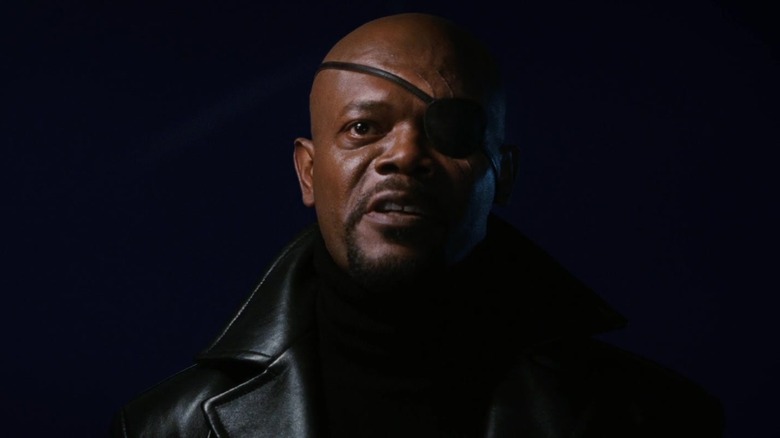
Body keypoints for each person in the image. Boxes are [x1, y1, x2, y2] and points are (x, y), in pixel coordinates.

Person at [110, 12, 724, 438]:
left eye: (451, 131)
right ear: (309, 172)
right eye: (363, 128)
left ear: (504, 176)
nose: (404, 155)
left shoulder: (654, 420)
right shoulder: (167, 430)